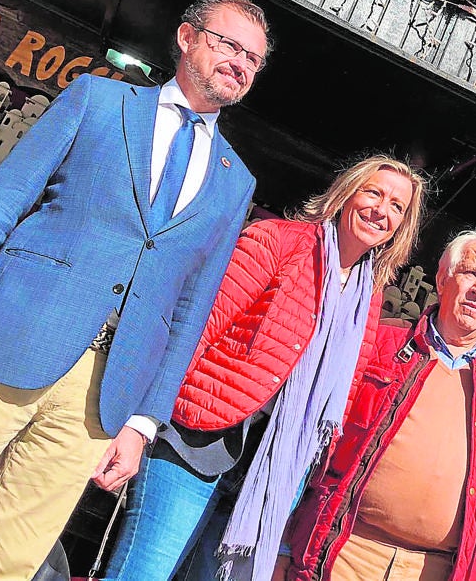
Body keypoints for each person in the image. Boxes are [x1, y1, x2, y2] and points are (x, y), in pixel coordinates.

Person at [0, 0, 269, 581]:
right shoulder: (97, 100)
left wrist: (143, 422)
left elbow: (190, 310)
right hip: (2, 344)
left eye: (254, 59)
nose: (240, 62)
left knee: (6, 565)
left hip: (104, 391)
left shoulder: (235, 180)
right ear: (188, 38)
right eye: (229, 43)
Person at [104, 155, 427, 581]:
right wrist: (141, 421)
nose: (381, 210)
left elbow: (342, 396)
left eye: (397, 206)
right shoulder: (278, 241)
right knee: (144, 573)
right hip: (197, 440)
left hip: (274, 470)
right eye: (373, 192)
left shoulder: (367, 298)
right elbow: (197, 330)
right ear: (346, 193)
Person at [284, 231, 476, 581]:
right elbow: (312, 439)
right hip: (345, 551)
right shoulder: (381, 341)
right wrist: (282, 543)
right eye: (471, 273)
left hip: (437, 570)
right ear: (443, 278)